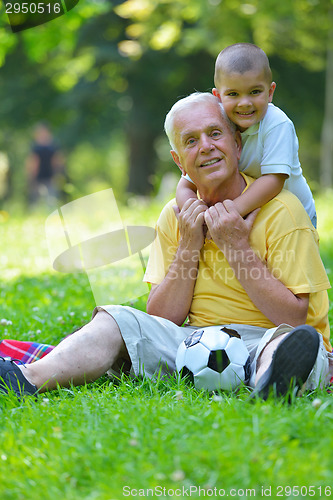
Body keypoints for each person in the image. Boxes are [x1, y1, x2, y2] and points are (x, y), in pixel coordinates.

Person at [1, 93, 332, 401]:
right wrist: (190, 244)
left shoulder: (282, 210)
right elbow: (162, 317)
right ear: (179, 161)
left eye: (215, 134)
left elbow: (293, 317)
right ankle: (25, 377)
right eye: (191, 141)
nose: (205, 147)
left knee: (294, 345)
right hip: (194, 342)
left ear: (236, 142)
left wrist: (236, 246)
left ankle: (269, 384)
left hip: (268, 339)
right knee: (116, 320)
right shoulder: (175, 217)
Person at [176, 43, 317, 227]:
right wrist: (193, 212)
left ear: (270, 92)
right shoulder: (218, 126)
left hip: (295, 218)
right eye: (233, 94)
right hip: (255, 214)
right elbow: (185, 184)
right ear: (218, 96)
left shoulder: (276, 124)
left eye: (255, 92)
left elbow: (273, 180)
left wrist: (231, 211)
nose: (244, 103)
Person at [26, 122, 66, 205]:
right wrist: (31, 178)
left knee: (51, 202)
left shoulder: (53, 146)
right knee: (36, 203)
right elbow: (32, 164)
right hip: (38, 179)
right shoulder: (35, 147)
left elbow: (58, 161)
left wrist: (58, 175)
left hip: (51, 179)